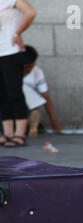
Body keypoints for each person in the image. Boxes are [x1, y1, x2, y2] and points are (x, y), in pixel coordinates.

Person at [0, 0, 36, 147]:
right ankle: (7, 134)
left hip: (11, 51)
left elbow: (30, 13)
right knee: (2, 95)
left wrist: (17, 33)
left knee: (14, 92)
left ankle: (19, 134)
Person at [22, 45, 63, 136]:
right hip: (9, 108)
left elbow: (45, 97)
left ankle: (31, 124)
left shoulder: (37, 72)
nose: (29, 69)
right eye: (26, 67)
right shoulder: (8, 71)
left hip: (27, 107)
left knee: (33, 110)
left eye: (31, 66)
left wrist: (53, 120)